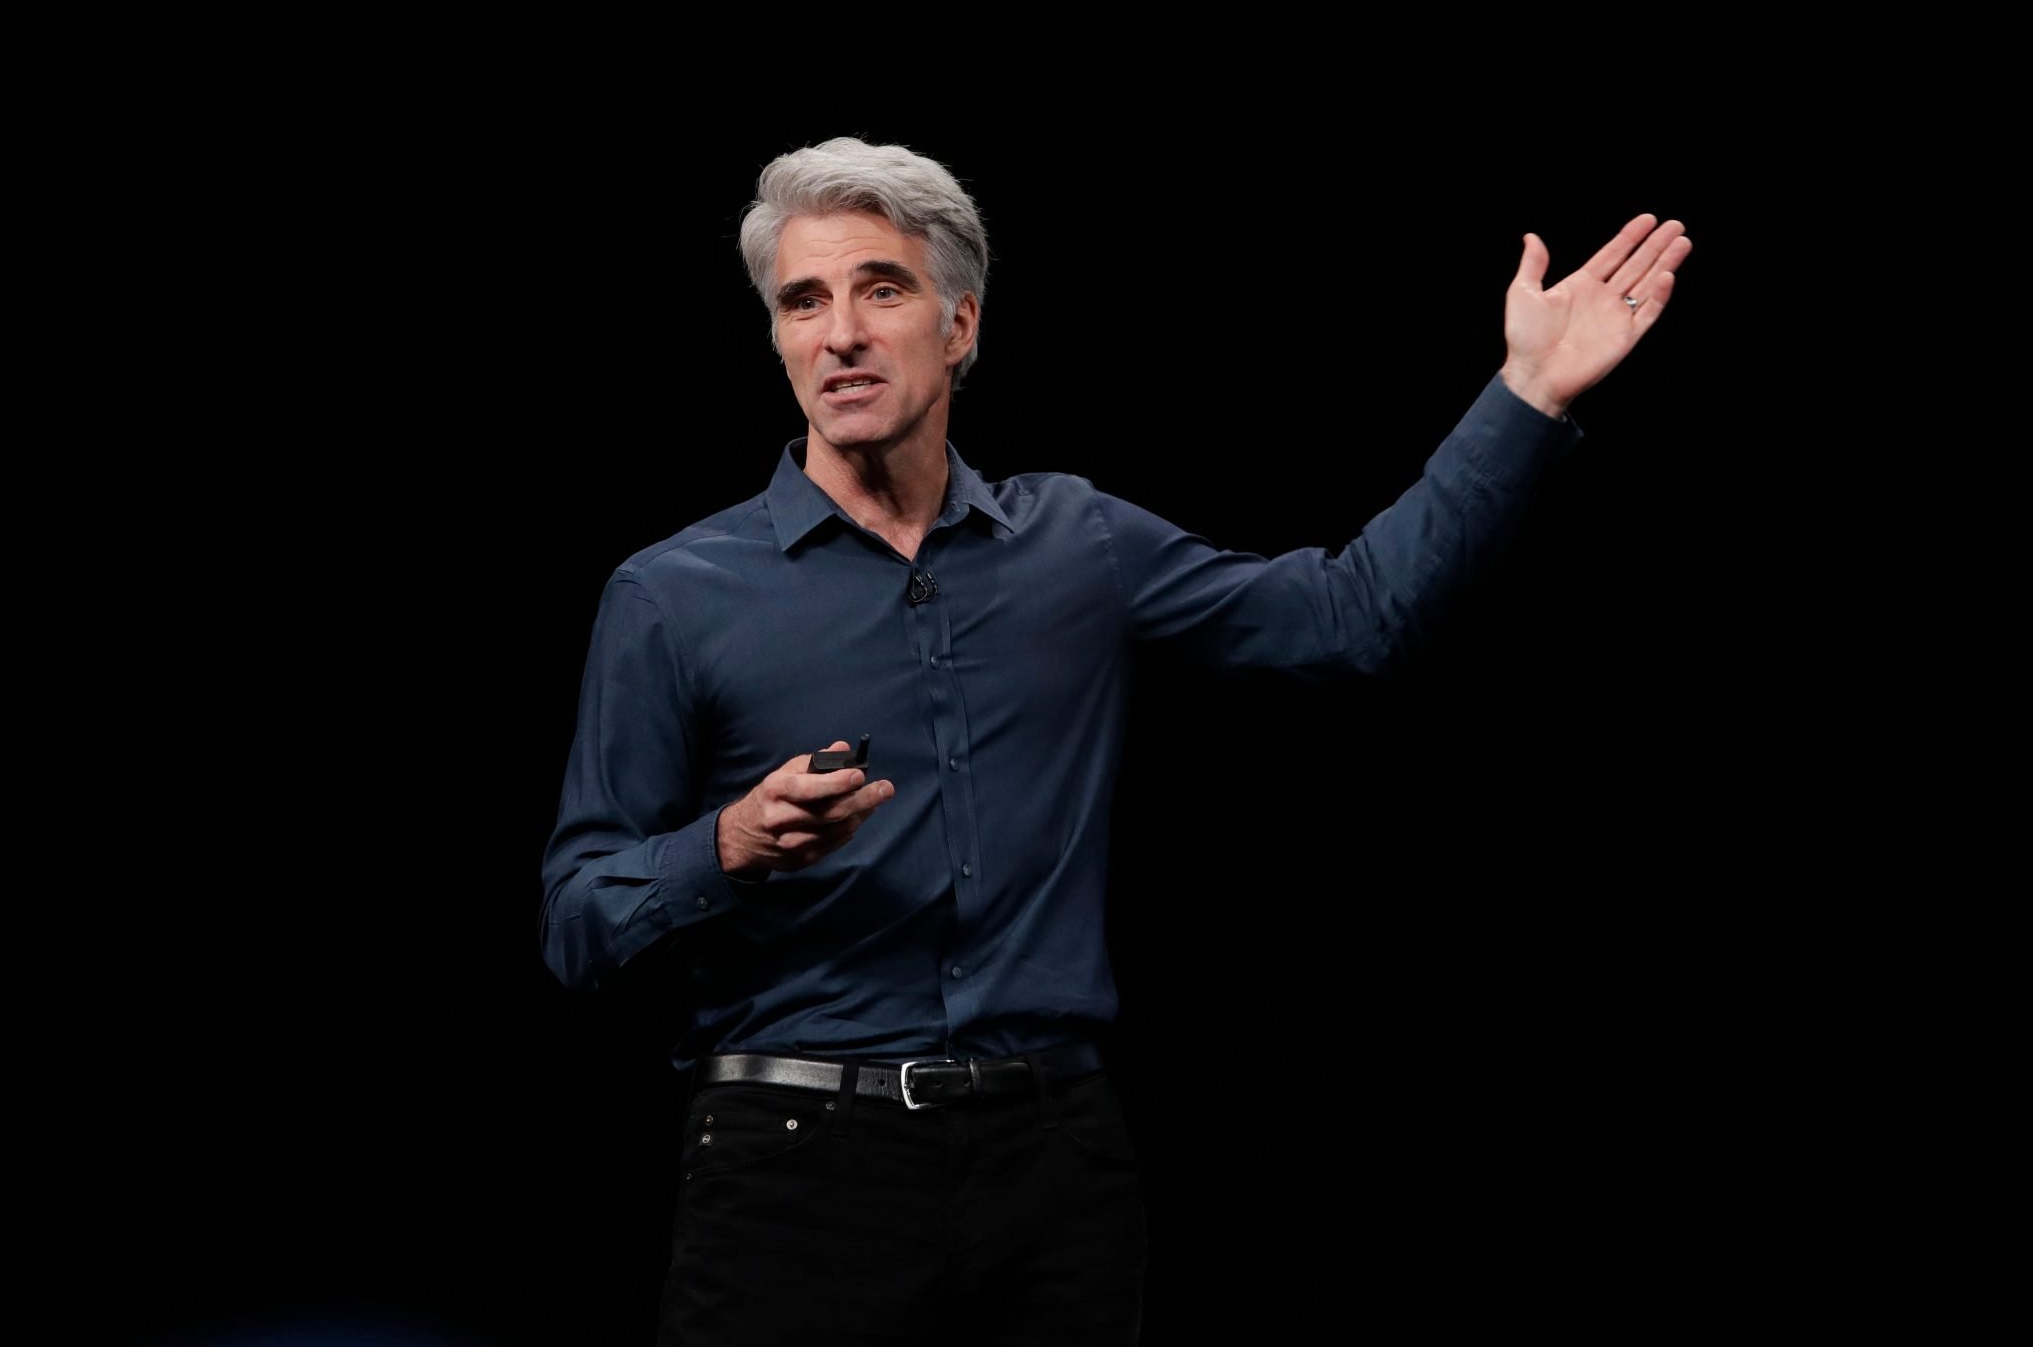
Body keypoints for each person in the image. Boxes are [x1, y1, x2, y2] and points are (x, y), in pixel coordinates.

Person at [539, 136, 1691, 1346]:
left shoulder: (1075, 543)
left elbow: (1353, 621)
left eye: (881, 289)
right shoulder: (672, 594)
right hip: (793, 1174)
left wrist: (1525, 397)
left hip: (1053, 1164)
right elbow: (576, 917)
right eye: (803, 302)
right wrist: (722, 845)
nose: (840, 334)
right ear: (776, 338)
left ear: (960, 323)